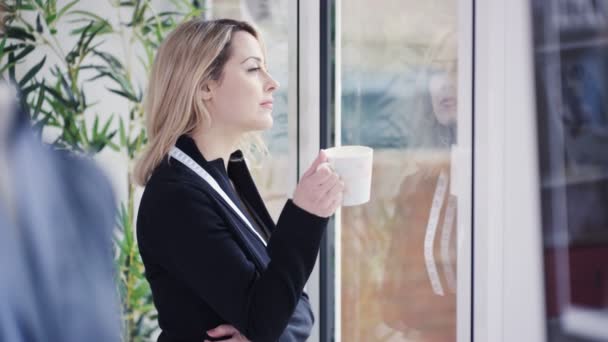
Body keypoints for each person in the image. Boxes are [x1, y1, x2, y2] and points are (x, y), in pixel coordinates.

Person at [134, 18, 344, 342]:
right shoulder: (176, 197)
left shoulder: (227, 179)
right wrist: (305, 214)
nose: (272, 82)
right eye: (252, 69)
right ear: (204, 86)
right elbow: (267, 318)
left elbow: (297, 307)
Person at [380, 30, 458, 342]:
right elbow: (394, 297)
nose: (446, 82)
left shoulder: (494, 185)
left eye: (457, 68)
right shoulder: (417, 185)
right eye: (438, 69)